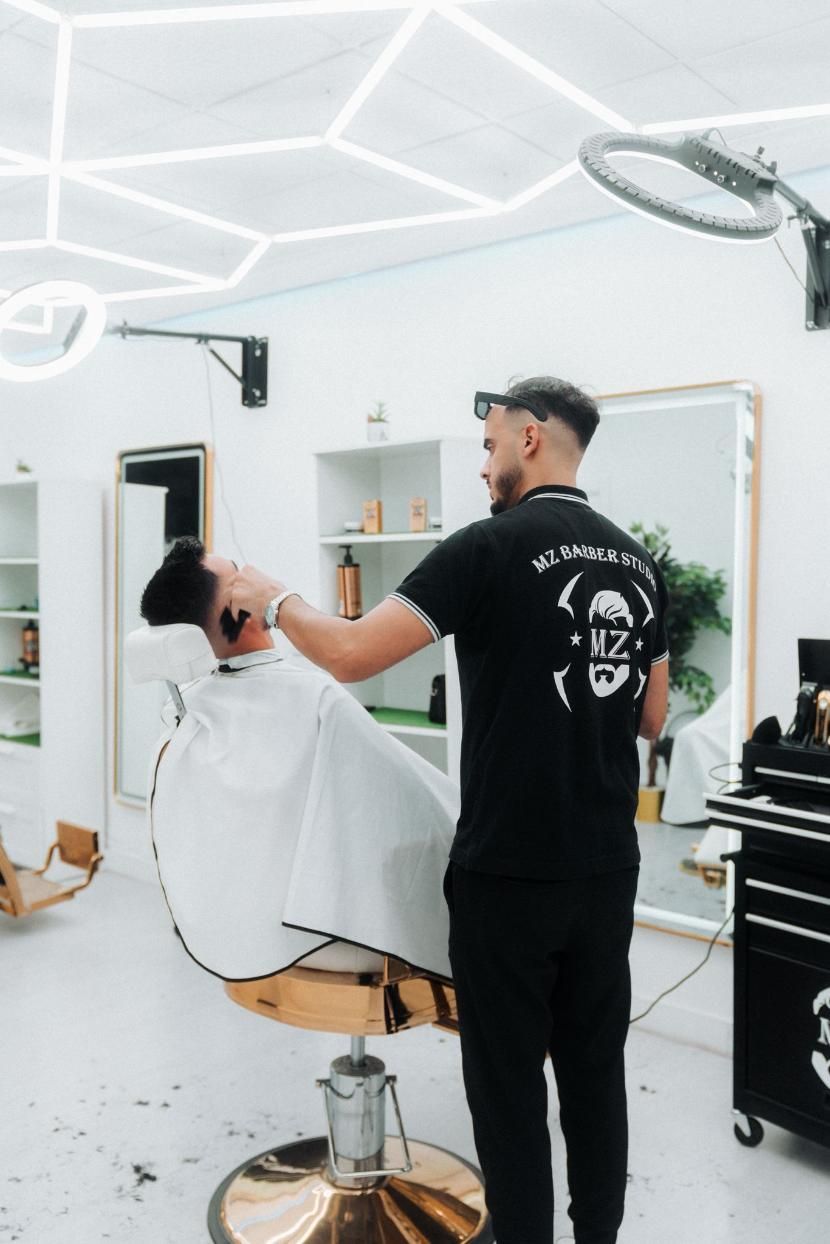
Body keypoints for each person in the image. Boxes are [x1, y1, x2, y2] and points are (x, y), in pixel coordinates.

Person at [228, 376, 669, 1244]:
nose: (483, 465)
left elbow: (353, 655)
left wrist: (276, 598)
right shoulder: (637, 562)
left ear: (531, 439)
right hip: (607, 869)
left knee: (507, 1094)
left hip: (509, 872)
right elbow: (651, 719)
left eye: (489, 444)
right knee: (594, 1077)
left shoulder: (489, 547)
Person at [138, 536, 459, 983]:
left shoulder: (185, 711)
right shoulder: (313, 696)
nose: (254, 577)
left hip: (245, 927)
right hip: (333, 933)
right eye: (239, 577)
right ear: (240, 611)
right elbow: (422, 808)